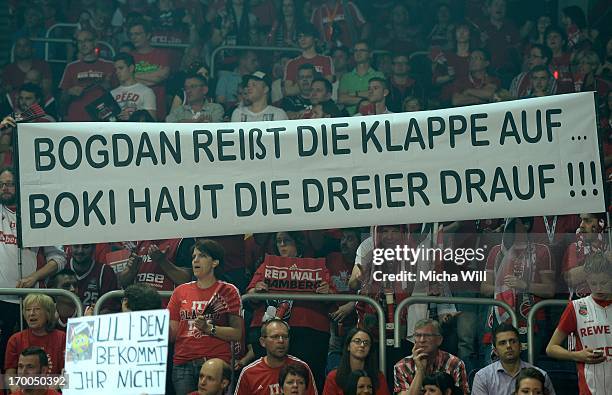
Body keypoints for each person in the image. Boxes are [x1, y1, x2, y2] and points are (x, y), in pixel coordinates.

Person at [0, 167, 66, 371]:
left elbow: (59, 258)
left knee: (33, 359)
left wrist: (33, 277)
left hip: (31, 300)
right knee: (6, 359)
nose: (5, 188)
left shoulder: (38, 213)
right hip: (1, 297)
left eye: (10, 184)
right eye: (1, 184)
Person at [168, 239, 242, 395]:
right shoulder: (180, 291)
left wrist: (209, 328)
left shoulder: (228, 290)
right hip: (183, 364)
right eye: (194, 256)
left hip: (216, 362)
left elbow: (237, 333)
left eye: (201, 256)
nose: (195, 260)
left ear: (215, 262)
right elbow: (172, 333)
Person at [481, 217, 555, 356]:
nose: (507, 227)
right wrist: (506, 290)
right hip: (498, 318)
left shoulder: (542, 250)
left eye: (512, 223)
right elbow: (484, 288)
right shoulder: (496, 251)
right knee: (495, 367)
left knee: (526, 368)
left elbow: (550, 290)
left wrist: (524, 285)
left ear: (526, 225)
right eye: (507, 223)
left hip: (532, 321)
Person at [546, 252, 611, 395]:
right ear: (587, 279)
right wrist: (577, 355)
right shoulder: (576, 307)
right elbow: (551, 348)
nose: (599, 288)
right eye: (593, 283)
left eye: (604, 282)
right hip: (590, 388)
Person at [235, 318, 317, 395]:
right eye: (275, 337)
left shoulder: (302, 367)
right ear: (263, 342)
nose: (281, 341)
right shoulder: (249, 373)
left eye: (285, 337)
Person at [4, 294, 66, 393]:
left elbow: (66, 372)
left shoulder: (62, 337)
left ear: (48, 313)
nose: (31, 313)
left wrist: (52, 389)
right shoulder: (15, 339)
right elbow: (9, 374)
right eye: (28, 310)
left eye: (37, 309)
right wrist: (16, 389)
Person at [472, 323, 555, 395]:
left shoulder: (542, 375)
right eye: (503, 343)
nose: (508, 346)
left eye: (513, 341)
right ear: (495, 351)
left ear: (520, 346)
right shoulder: (483, 377)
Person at [393, 319, 469, 395]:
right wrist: (420, 370)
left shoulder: (454, 363)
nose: (422, 340)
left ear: (439, 340)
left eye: (427, 336)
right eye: (418, 335)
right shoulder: (402, 366)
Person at [59, 28, 116, 121]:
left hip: (102, 118)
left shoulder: (109, 65)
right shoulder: (71, 67)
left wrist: (109, 88)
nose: (82, 44)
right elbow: (61, 99)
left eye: (86, 40)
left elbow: (120, 93)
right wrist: (69, 92)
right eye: (79, 41)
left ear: (95, 42)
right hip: (76, 117)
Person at [323, 327, 390, 395]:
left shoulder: (378, 377)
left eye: (366, 343)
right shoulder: (333, 377)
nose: (362, 345)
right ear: (348, 346)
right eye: (357, 341)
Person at [128, 17, 172, 119]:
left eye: (137, 34)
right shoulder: (128, 57)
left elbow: (161, 77)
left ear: (148, 35)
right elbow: (125, 80)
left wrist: (133, 76)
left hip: (158, 109)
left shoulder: (162, 54)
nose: (133, 37)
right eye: (131, 34)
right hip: (134, 110)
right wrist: (152, 76)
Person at [562, 213, 607, 299]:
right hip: (582, 306)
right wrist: (603, 261)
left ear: (601, 223)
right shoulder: (574, 248)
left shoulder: (609, 246)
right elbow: (571, 279)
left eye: (588, 221)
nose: (581, 225)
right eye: (581, 220)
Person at [67, 244, 119, 314]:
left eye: (86, 247)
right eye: (76, 246)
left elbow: (111, 309)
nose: (80, 251)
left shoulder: (105, 272)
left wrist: (91, 316)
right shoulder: (62, 268)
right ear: (70, 247)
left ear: (94, 248)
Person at [284, 23, 333, 97]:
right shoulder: (292, 63)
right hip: (299, 104)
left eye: (306, 36)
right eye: (300, 36)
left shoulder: (326, 60)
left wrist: (301, 85)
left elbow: (327, 86)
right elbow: (288, 91)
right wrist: (314, 83)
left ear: (315, 38)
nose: (302, 39)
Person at [338, 41, 384, 115]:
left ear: (370, 54)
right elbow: (341, 99)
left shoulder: (378, 75)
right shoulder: (346, 77)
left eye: (362, 50)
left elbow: (378, 97)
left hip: (373, 117)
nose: (358, 53)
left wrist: (353, 94)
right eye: (355, 50)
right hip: (350, 120)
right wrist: (365, 98)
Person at [111, 52, 157, 120]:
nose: (117, 72)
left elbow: (151, 121)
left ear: (131, 68)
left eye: (121, 68)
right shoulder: (112, 93)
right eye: (116, 69)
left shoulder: (146, 92)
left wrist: (132, 118)